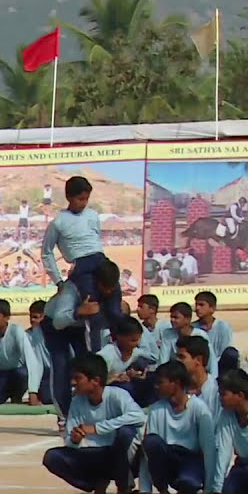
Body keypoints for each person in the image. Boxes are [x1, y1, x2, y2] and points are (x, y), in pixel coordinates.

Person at [41, 353, 145, 494]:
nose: (73, 382)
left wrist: (97, 428)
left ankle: (124, 487)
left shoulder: (117, 395)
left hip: (122, 456)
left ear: (95, 381)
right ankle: (97, 484)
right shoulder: (77, 401)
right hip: (95, 454)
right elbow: (69, 440)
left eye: (78, 378)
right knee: (52, 457)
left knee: (125, 433)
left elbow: (139, 417)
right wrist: (75, 439)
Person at [40, 176, 122, 332]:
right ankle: (95, 352)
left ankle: (117, 344)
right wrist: (58, 281)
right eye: (80, 199)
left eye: (86, 199)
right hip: (82, 265)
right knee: (92, 310)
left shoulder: (92, 215)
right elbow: (46, 253)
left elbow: (96, 239)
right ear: (69, 197)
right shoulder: (58, 222)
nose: (84, 203)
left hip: (101, 261)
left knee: (115, 308)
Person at [40, 258, 117, 421]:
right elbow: (58, 321)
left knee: (88, 367)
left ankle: (87, 411)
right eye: (105, 288)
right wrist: (78, 312)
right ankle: (63, 415)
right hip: (55, 325)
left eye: (112, 289)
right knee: (61, 365)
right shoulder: (71, 289)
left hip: (78, 326)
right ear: (98, 283)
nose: (108, 293)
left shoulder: (110, 291)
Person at [138, 361, 215, 494]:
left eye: (161, 382)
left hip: (191, 459)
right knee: (151, 441)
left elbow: (208, 450)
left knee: (188, 484)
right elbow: (147, 452)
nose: (156, 387)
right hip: (169, 458)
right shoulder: (156, 409)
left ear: (176, 383)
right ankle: (163, 490)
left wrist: (210, 488)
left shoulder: (199, 408)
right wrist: (145, 489)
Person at [0, 300, 42, 406]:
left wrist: (33, 393)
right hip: (0, 374)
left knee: (22, 374)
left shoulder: (16, 331)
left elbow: (31, 361)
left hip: (17, 373)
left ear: (7, 317)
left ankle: (16, 396)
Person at [98, 317, 156, 407]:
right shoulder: (107, 355)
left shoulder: (135, 352)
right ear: (120, 337)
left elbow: (152, 357)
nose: (136, 344)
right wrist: (115, 378)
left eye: (138, 340)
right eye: (133, 340)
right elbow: (94, 379)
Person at [193, 291, 239, 373]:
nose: (197, 308)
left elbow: (225, 352)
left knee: (231, 353)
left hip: (220, 366)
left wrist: (213, 366)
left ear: (212, 308)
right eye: (196, 305)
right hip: (200, 367)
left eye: (201, 305)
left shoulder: (223, 326)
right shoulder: (193, 327)